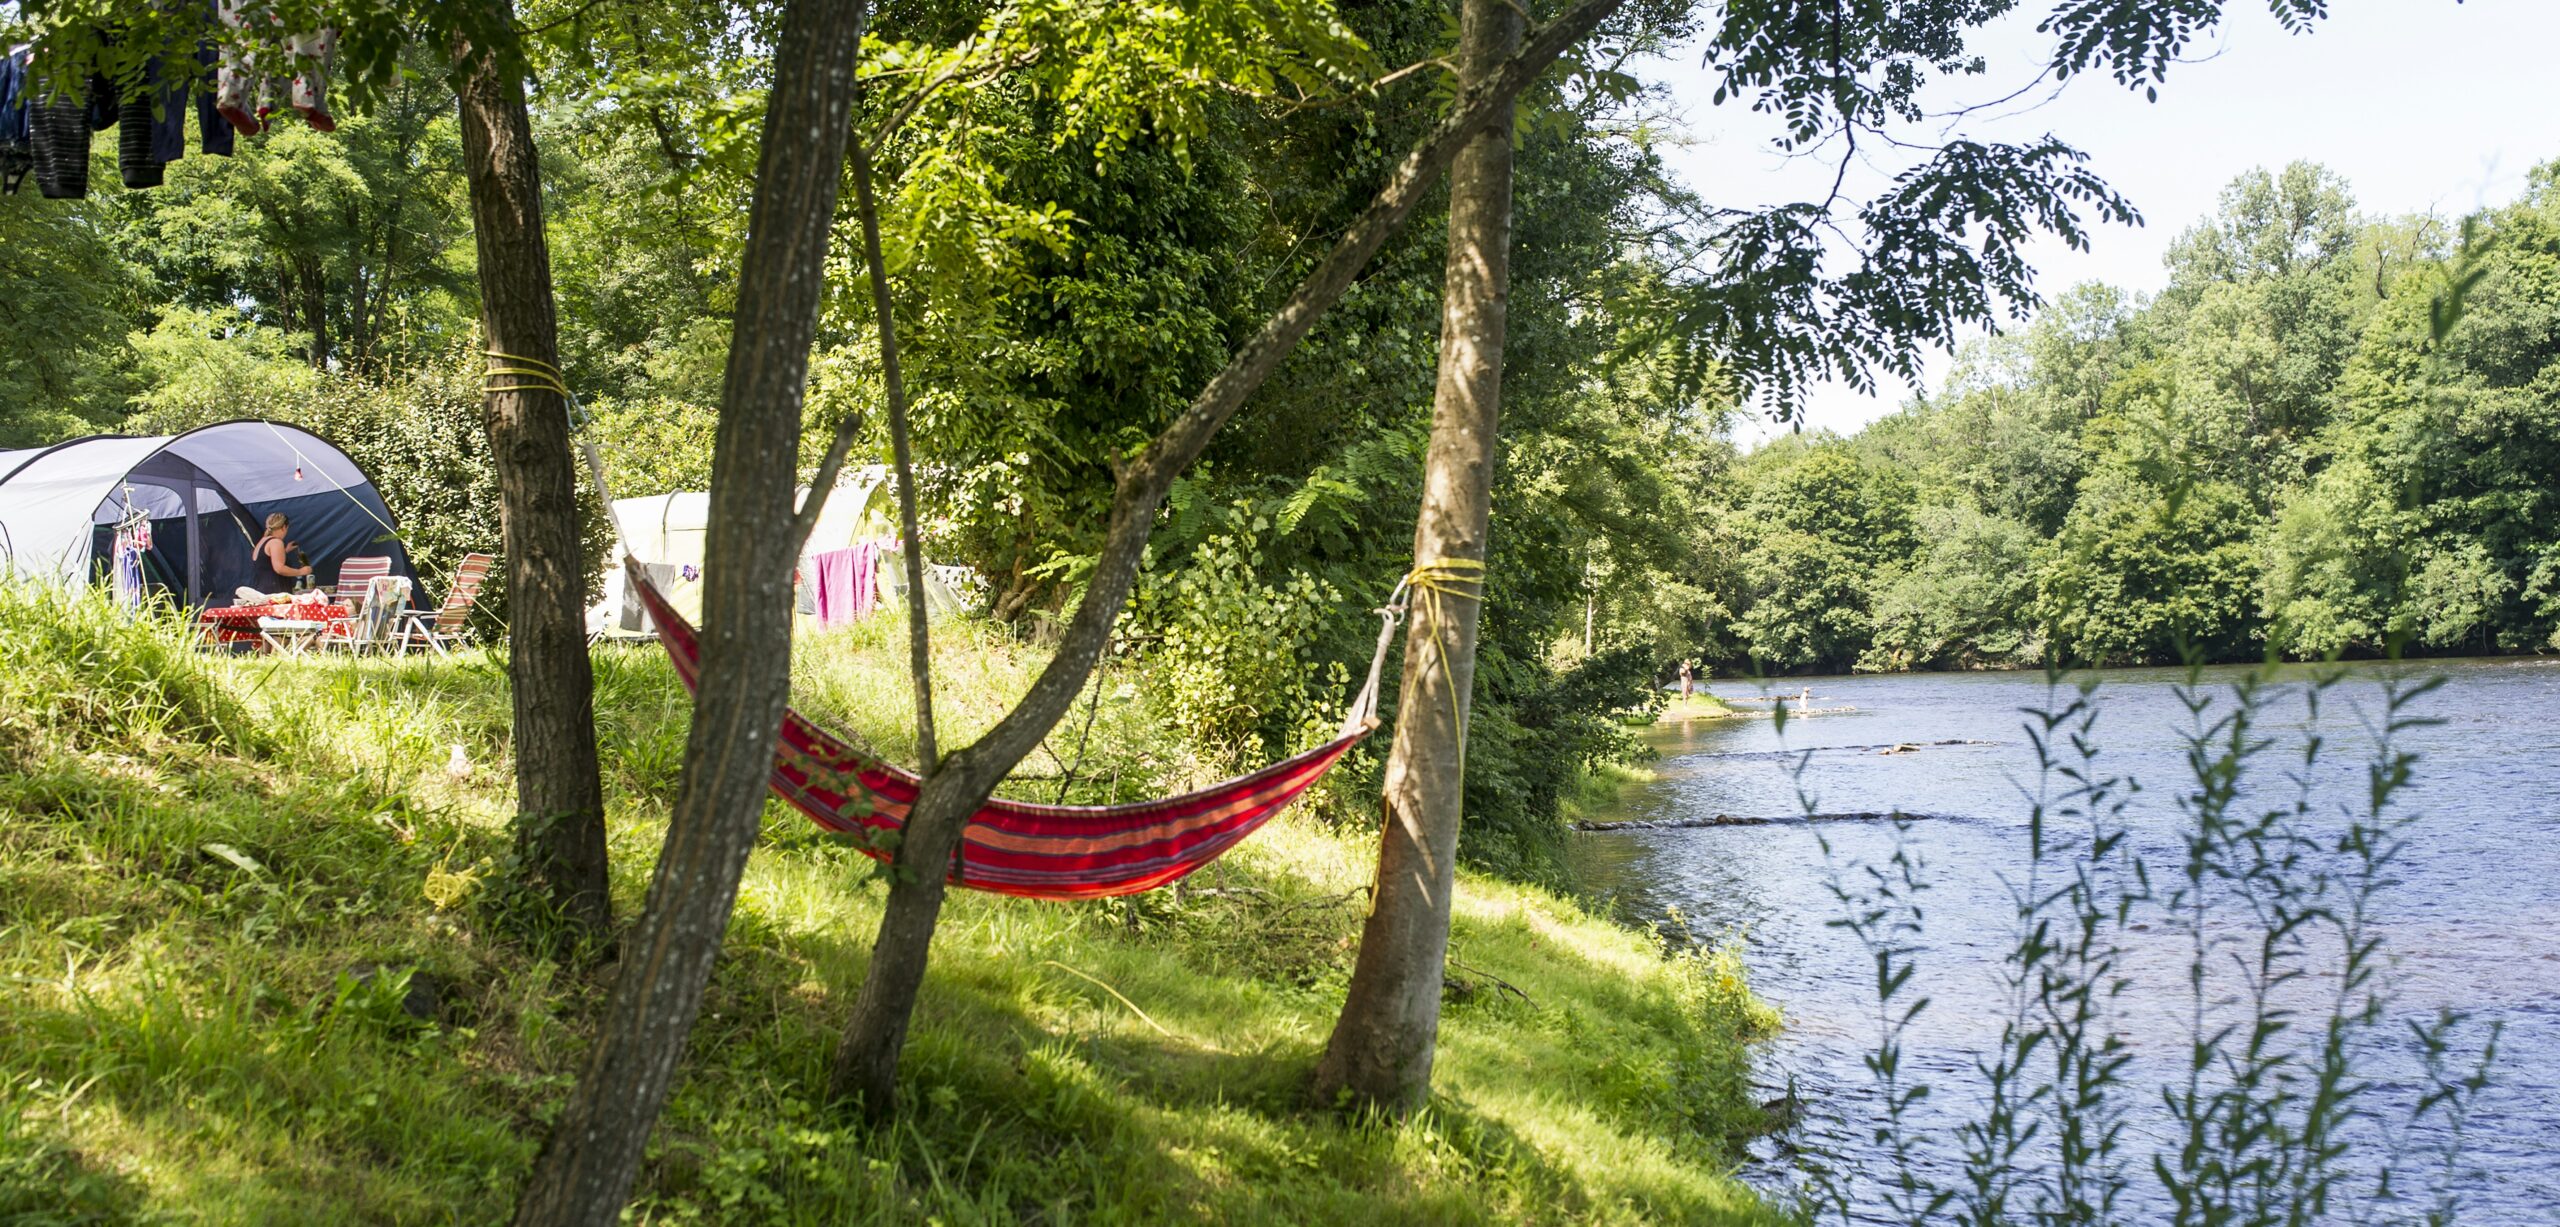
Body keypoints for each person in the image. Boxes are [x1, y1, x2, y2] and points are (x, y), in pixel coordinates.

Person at [251, 513, 314, 593]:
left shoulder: (262, 541)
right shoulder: (276, 542)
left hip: (262, 589)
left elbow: (267, 561)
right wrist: (301, 571)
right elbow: (279, 569)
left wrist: (285, 551)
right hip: (275, 591)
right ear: (284, 527)